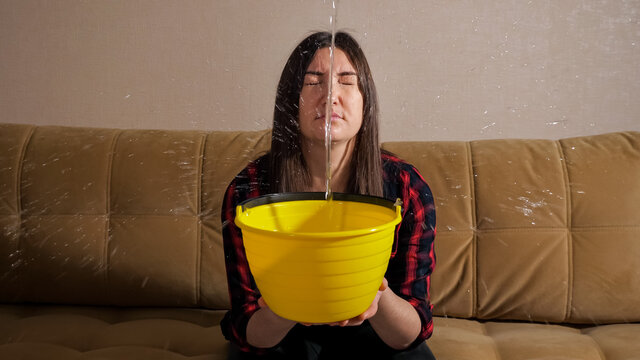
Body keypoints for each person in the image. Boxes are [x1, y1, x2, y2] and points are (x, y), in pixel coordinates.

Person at [221, 31, 436, 360]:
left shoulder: (407, 187)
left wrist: (375, 298)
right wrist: (287, 304)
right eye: (312, 82)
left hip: (376, 334)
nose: (330, 95)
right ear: (290, 102)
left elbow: (411, 332)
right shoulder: (249, 189)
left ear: (367, 102)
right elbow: (247, 327)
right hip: (282, 332)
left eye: (347, 81)